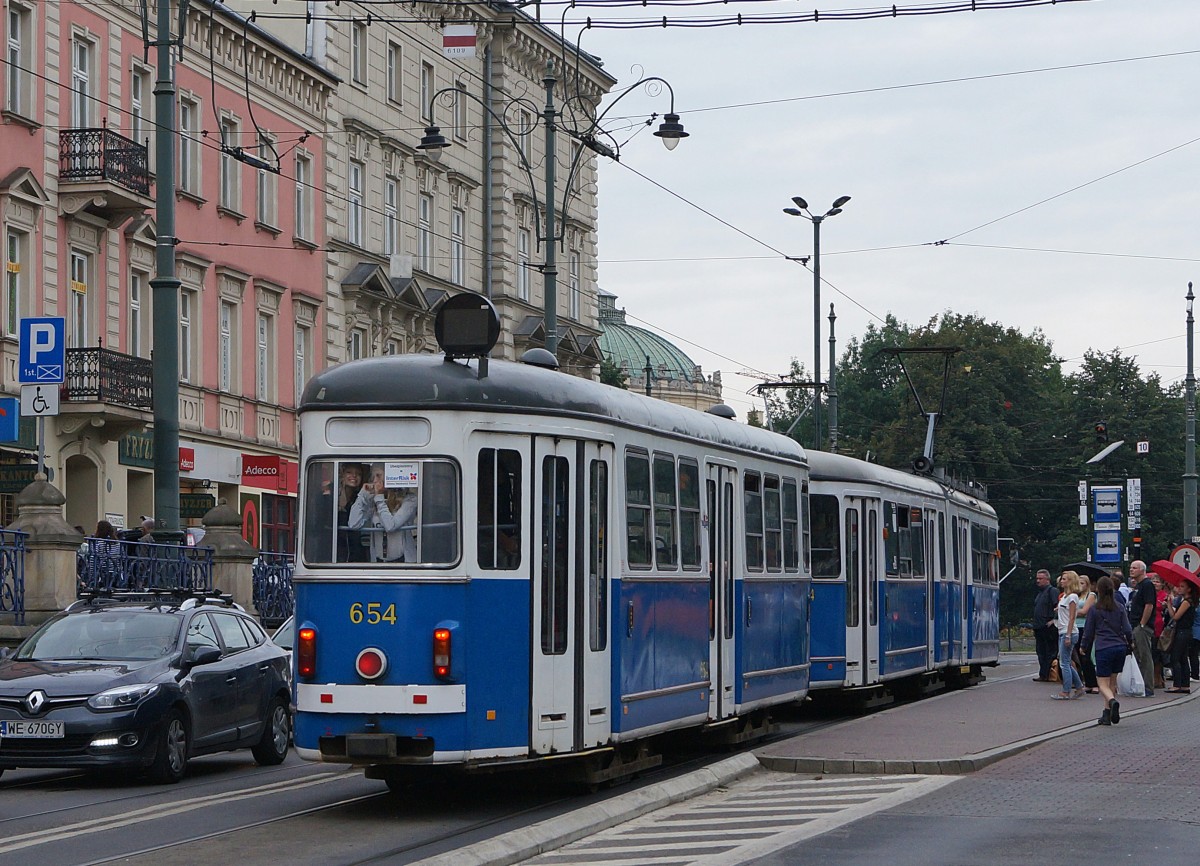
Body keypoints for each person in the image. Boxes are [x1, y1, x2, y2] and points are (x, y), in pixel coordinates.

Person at [1080, 575, 1134, 725]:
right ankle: (1107, 714)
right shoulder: (1120, 607)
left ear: (1099, 590)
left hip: (1104, 647)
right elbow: (1128, 629)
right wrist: (1131, 643)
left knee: (1102, 683)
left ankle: (1112, 701)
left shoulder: (1095, 609)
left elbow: (1089, 631)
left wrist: (1084, 646)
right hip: (1120, 647)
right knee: (1112, 681)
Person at [349, 463, 417, 563]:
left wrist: (379, 499)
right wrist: (361, 496)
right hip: (378, 562)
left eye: (379, 476)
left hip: (403, 561)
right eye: (373, 477)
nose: (375, 481)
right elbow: (353, 524)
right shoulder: (374, 500)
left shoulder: (409, 500)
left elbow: (390, 526)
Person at [1052, 571, 1084, 700]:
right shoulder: (1064, 596)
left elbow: (1072, 617)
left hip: (1068, 631)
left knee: (1064, 663)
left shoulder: (1072, 597)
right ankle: (1079, 686)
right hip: (1062, 630)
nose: (1061, 581)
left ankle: (1066, 691)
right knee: (1067, 662)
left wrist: (1068, 635)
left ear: (1070, 581)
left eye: (1064, 579)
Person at [1128, 560, 1157, 697]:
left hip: (1142, 626)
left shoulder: (1147, 585)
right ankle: (1140, 685)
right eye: (1131, 567)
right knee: (1138, 655)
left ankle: (1148, 687)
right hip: (1134, 625)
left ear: (1142, 570)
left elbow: (1149, 605)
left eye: (1134, 568)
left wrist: (1143, 624)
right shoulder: (1138, 586)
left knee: (1145, 656)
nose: (1131, 570)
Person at [1162, 581, 1195, 693]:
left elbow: (1175, 617)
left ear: (1189, 589)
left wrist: (1169, 605)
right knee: (1183, 658)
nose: (1179, 589)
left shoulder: (1186, 602)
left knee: (1175, 658)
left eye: (1182, 587)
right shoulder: (1188, 601)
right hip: (1186, 632)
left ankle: (1177, 684)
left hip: (1182, 632)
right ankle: (1185, 685)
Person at [336, 463, 369, 562]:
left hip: (356, 549)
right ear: (342, 474)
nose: (354, 476)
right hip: (336, 548)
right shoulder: (333, 494)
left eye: (358, 474)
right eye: (349, 472)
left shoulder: (361, 497)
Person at [1031, 569, 1058, 682]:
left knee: (1048, 651)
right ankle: (1043, 674)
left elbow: (1058, 606)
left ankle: (1048, 673)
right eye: (1037, 578)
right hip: (1039, 626)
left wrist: (1054, 620)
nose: (1038, 581)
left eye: (1040, 579)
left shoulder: (1052, 591)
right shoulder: (1040, 593)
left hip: (1047, 627)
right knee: (1040, 651)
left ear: (1047, 580)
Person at [1073, 574, 1099, 693]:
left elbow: (1084, 611)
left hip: (1086, 627)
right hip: (1075, 626)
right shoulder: (1075, 596)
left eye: (1082, 583)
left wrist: (1071, 611)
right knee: (1078, 656)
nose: (1080, 586)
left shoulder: (1091, 595)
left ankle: (1093, 683)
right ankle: (1087, 682)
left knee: (1086, 656)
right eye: (1078, 583)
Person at [1151, 573, 1169, 689]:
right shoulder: (1150, 594)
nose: (1155, 583)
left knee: (1157, 653)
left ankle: (1158, 678)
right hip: (1151, 624)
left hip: (1159, 626)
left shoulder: (1164, 595)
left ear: (1162, 584)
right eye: (1153, 581)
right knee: (1152, 653)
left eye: (1157, 581)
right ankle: (1156, 678)